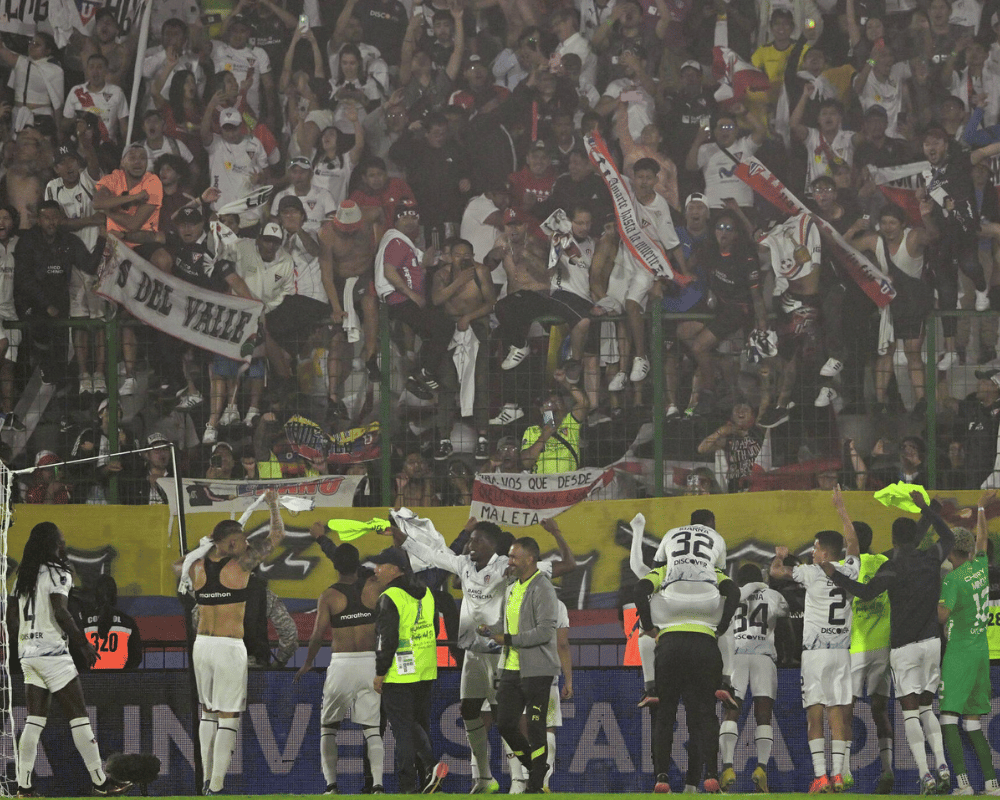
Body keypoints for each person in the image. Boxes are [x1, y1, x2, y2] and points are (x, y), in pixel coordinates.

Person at [389, 517, 576, 793]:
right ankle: (485, 779)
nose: (470, 544)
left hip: (500, 654)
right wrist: (400, 536)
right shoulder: (464, 565)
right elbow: (431, 555)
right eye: (470, 539)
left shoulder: (506, 567)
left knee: (506, 719)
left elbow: (563, 567)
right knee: (469, 710)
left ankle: (523, 778)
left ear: (492, 544)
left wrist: (557, 535)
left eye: (476, 540)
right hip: (473, 654)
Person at [822, 490, 955, 795]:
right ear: (917, 538)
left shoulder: (891, 564)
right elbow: (947, 535)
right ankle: (943, 764)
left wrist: (835, 575)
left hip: (904, 646)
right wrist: (926, 508)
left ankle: (926, 774)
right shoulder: (932, 557)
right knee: (927, 709)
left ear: (894, 540)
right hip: (933, 642)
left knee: (910, 712)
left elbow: (866, 593)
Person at [12, 522, 132, 796]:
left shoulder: (24, 574)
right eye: (61, 541)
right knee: (79, 718)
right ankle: (101, 782)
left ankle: (24, 787)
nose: (64, 545)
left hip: (27, 651)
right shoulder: (59, 572)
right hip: (52, 653)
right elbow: (61, 612)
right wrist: (83, 644)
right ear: (54, 544)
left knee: (34, 721)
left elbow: (12, 616)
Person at [180, 489, 285, 794]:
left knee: (207, 712)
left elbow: (182, 570)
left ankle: (205, 779)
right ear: (228, 543)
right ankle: (216, 785)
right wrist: (273, 505)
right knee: (228, 715)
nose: (247, 543)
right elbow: (277, 535)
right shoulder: (240, 565)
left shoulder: (197, 568)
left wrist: (205, 547)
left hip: (202, 646)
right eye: (241, 540)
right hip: (227, 647)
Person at [633, 511, 738, 793]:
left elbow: (640, 587)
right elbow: (734, 592)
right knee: (703, 716)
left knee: (664, 714)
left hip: (669, 644)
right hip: (705, 642)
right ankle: (708, 776)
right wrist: (722, 625)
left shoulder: (666, 568)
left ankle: (662, 777)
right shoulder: (712, 568)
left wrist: (649, 626)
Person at [769, 486, 861, 793]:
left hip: (816, 654)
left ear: (825, 552)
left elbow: (778, 572)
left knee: (815, 715)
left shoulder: (810, 574)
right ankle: (837, 775)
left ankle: (820, 776)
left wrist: (781, 557)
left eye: (816, 547)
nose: (812, 551)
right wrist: (842, 510)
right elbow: (852, 544)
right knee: (838, 715)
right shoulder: (851, 570)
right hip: (842, 653)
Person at [296, 538, 385, 794]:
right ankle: (378, 785)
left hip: (342, 665)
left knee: (329, 726)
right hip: (370, 662)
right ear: (358, 564)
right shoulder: (374, 588)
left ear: (335, 567)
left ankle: (332, 786)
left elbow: (316, 635)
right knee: (372, 728)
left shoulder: (329, 595)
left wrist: (308, 663)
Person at [477, 536, 560, 794]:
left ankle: (534, 785)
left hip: (537, 670)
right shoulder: (513, 586)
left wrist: (508, 639)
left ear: (530, 559)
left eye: (514, 557)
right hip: (511, 668)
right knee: (505, 724)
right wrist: (493, 631)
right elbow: (509, 626)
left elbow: (545, 632)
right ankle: (537, 769)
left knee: (536, 728)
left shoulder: (543, 588)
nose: (509, 561)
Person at [371, 545, 449, 794]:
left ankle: (411, 783)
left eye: (380, 566)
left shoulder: (389, 597)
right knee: (418, 725)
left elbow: (387, 639)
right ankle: (429, 777)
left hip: (399, 671)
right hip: (425, 668)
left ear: (395, 569)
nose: (376, 570)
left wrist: (381, 671)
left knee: (402, 729)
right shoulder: (426, 592)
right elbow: (435, 629)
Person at [938, 499, 1000, 796]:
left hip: (960, 653)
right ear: (970, 551)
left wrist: (927, 600)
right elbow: (984, 540)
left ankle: (962, 783)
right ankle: (991, 783)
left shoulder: (952, 578)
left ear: (951, 552)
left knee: (948, 716)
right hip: (980, 653)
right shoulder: (981, 568)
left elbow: (942, 615)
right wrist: (982, 512)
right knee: (972, 723)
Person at [718, 563, 789, 794]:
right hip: (763, 656)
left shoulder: (733, 595)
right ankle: (761, 768)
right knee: (764, 715)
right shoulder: (774, 595)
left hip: (736, 655)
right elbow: (788, 617)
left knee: (732, 710)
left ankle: (728, 767)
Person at [845, 520, 894, 793]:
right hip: (883, 645)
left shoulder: (848, 566)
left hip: (856, 646)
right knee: (879, 709)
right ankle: (887, 769)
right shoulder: (884, 561)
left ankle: (845, 772)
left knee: (846, 709)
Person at [520, 370, 589, 473]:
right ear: (541, 410)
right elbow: (526, 463)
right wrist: (545, 435)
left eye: (557, 402)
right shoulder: (532, 431)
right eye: (549, 403)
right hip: (543, 486)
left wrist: (565, 382)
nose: (553, 405)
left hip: (568, 485)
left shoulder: (570, 423)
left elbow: (584, 403)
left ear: (564, 407)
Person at [78, 574, 143, 671]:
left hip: (90, 680)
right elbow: (136, 657)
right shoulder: (128, 622)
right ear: (114, 595)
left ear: (96, 595)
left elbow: (77, 654)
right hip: (119, 680)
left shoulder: (83, 622)